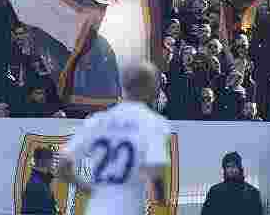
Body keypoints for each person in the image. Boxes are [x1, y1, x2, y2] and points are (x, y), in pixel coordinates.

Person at [57, 61, 170, 215]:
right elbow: (156, 173)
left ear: (124, 86)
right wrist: (161, 198)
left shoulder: (96, 121)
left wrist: (92, 191)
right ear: (149, 88)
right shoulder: (152, 122)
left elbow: (63, 168)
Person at [21, 146, 59, 215]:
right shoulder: (37, 185)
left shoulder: (42, 182)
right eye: (52, 161)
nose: (53, 164)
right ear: (45, 162)